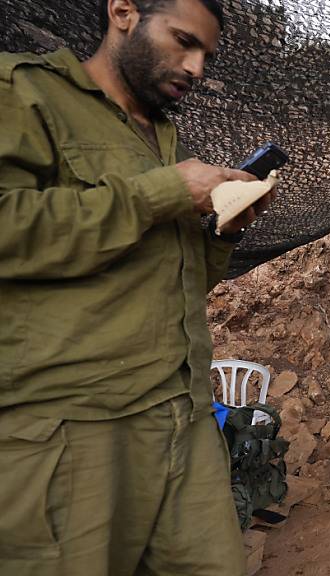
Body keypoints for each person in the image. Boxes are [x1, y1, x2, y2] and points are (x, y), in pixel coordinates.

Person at [0, 1, 272, 574]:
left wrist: (223, 232)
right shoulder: (28, 94)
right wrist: (163, 193)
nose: (196, 67)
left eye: (206, 55)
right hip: (76, 426)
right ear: (123, 11)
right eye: (183, 41)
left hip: (184, 416)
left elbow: (177, 283)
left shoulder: (161, 135)